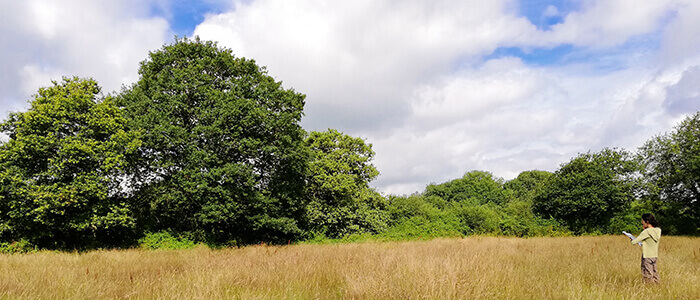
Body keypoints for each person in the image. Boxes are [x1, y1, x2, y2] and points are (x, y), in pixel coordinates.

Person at [630, 213, 661, 283]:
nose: (642, 223)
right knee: (654, 273)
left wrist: (632, 238)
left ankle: (650, 288)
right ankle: (657, 286)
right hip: (654, 255)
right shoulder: (658, 230)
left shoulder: (646, 231)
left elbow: (634, 242)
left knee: (647, 274)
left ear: (647, 221)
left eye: (643, 221)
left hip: (647, 256)